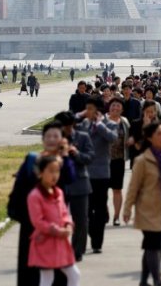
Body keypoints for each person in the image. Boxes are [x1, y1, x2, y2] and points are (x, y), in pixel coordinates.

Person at [8, 121, 74, 286]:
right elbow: (19, 188)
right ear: (43, 139)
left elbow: (71, 178)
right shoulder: (32, 160)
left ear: (62, 139)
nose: (52, 139)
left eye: (56, 136)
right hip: (32, 223)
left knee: (59, 269)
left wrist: (65, 156)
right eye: (48, 136)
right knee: (30, 269)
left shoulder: (64, 161)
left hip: (57, 223)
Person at [123, 122, 161, 286]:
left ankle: (144, 280)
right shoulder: (142, 161)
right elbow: (133, 187)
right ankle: (157, 279)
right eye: (159, 134)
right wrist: (127, 209)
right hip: (147, 209)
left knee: (154, 246)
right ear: (149, 138)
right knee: (154, 245)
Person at [27, 155, 81, 286]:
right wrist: (56, 230)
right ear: (40, 173)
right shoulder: (35, 196)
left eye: (57, 171)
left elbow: (64, 212)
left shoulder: (59, 192)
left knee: (74, 274)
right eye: (50, 171)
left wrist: (68, 225)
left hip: (61, 242)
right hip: (45, 242)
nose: (55, 175)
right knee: (47, 278)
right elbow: (38, 221)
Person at [76, 97, 118, 254]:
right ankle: (92, 232)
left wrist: (99, 124)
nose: (88, 112)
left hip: (101, 174)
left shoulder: (109, 124)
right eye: (86, 109)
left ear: (98, 111)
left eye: (90, 109)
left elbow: (112, 137)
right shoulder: (83, 125)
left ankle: (97, 242)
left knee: (99, 209)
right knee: (86, 210)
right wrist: (80, 114)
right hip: (85, 173)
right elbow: (67, 125)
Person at [55, 111, 94, 262]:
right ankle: (60, 248)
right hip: (59, 184)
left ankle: (77, 250)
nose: (64, 129)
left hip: (80, 182)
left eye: (66, 126)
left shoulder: (83, 137)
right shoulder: (56, 139)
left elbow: (90, 157)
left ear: (72, 125)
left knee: (81, 219)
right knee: (57, 219)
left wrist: (77, 154)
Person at [105, 97, 130, 227]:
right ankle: (105, 212)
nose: (115, 108)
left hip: (119, 160)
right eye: (113, 105)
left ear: (122, 109)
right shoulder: (102, 121)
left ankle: (116, 216)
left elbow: (130, 136)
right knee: (102, 190)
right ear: (109, 107)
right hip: (103, 161)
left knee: (117, 190)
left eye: (118, 106)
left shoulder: (124, 122)